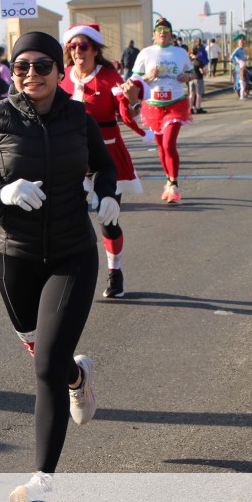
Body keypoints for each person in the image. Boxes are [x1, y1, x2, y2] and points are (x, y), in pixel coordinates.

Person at [0, 31, 118, 502]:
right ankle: (77, 377)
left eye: (42, 65)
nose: (31, 75)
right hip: (15, 257)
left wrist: (108, 195)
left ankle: (43, 479)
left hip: (72, 253)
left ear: (59, 70)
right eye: (21, 66)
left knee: (45, 364)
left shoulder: (78, 118)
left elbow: (104, 167)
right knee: (44, 352)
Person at [61, 23, 147, 299]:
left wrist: (132, 101)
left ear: (95, 50)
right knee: (69, 219)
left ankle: (115, 271)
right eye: (72, 46)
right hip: (71, 159)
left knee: (107, 220)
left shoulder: (109, 77)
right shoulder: (62, 77)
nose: (77, 51)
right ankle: (72, 275)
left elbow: (125, 111)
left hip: (106, 157)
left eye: (83, 46)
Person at [134, 18, 195, 205]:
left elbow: (193, 73)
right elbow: (135, 79)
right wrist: (149, 75)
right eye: (159, 29)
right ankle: (168, 181)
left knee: (169, 144)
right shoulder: (146, 53)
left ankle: (174, 185)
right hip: (153, 106)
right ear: (154, 34)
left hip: (175, 103)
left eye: (166, 30)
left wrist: (187, 77)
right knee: (161, 146)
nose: (162, 32)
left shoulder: (180, 53)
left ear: (171, 34)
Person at [229, 36, 247, 100]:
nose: (241, 44)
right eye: (240, 43)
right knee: (239, 79)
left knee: (244, 78)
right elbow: (231, 56)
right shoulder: (237, 50)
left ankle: (243, 93)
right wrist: (237, 61)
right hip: (239, 66)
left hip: (243, 65)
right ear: (238, 43)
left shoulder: (243, 50)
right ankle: (239, 91)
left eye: (242, 42)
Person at [189, 46, 206, 113]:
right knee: (198, 94)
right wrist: (204, 72)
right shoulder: (198, 62)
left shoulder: (189, 61)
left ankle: (190, 108)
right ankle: (198, 107)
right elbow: (201, 71)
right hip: (198, 78)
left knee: (192, 94)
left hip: (191, 78)